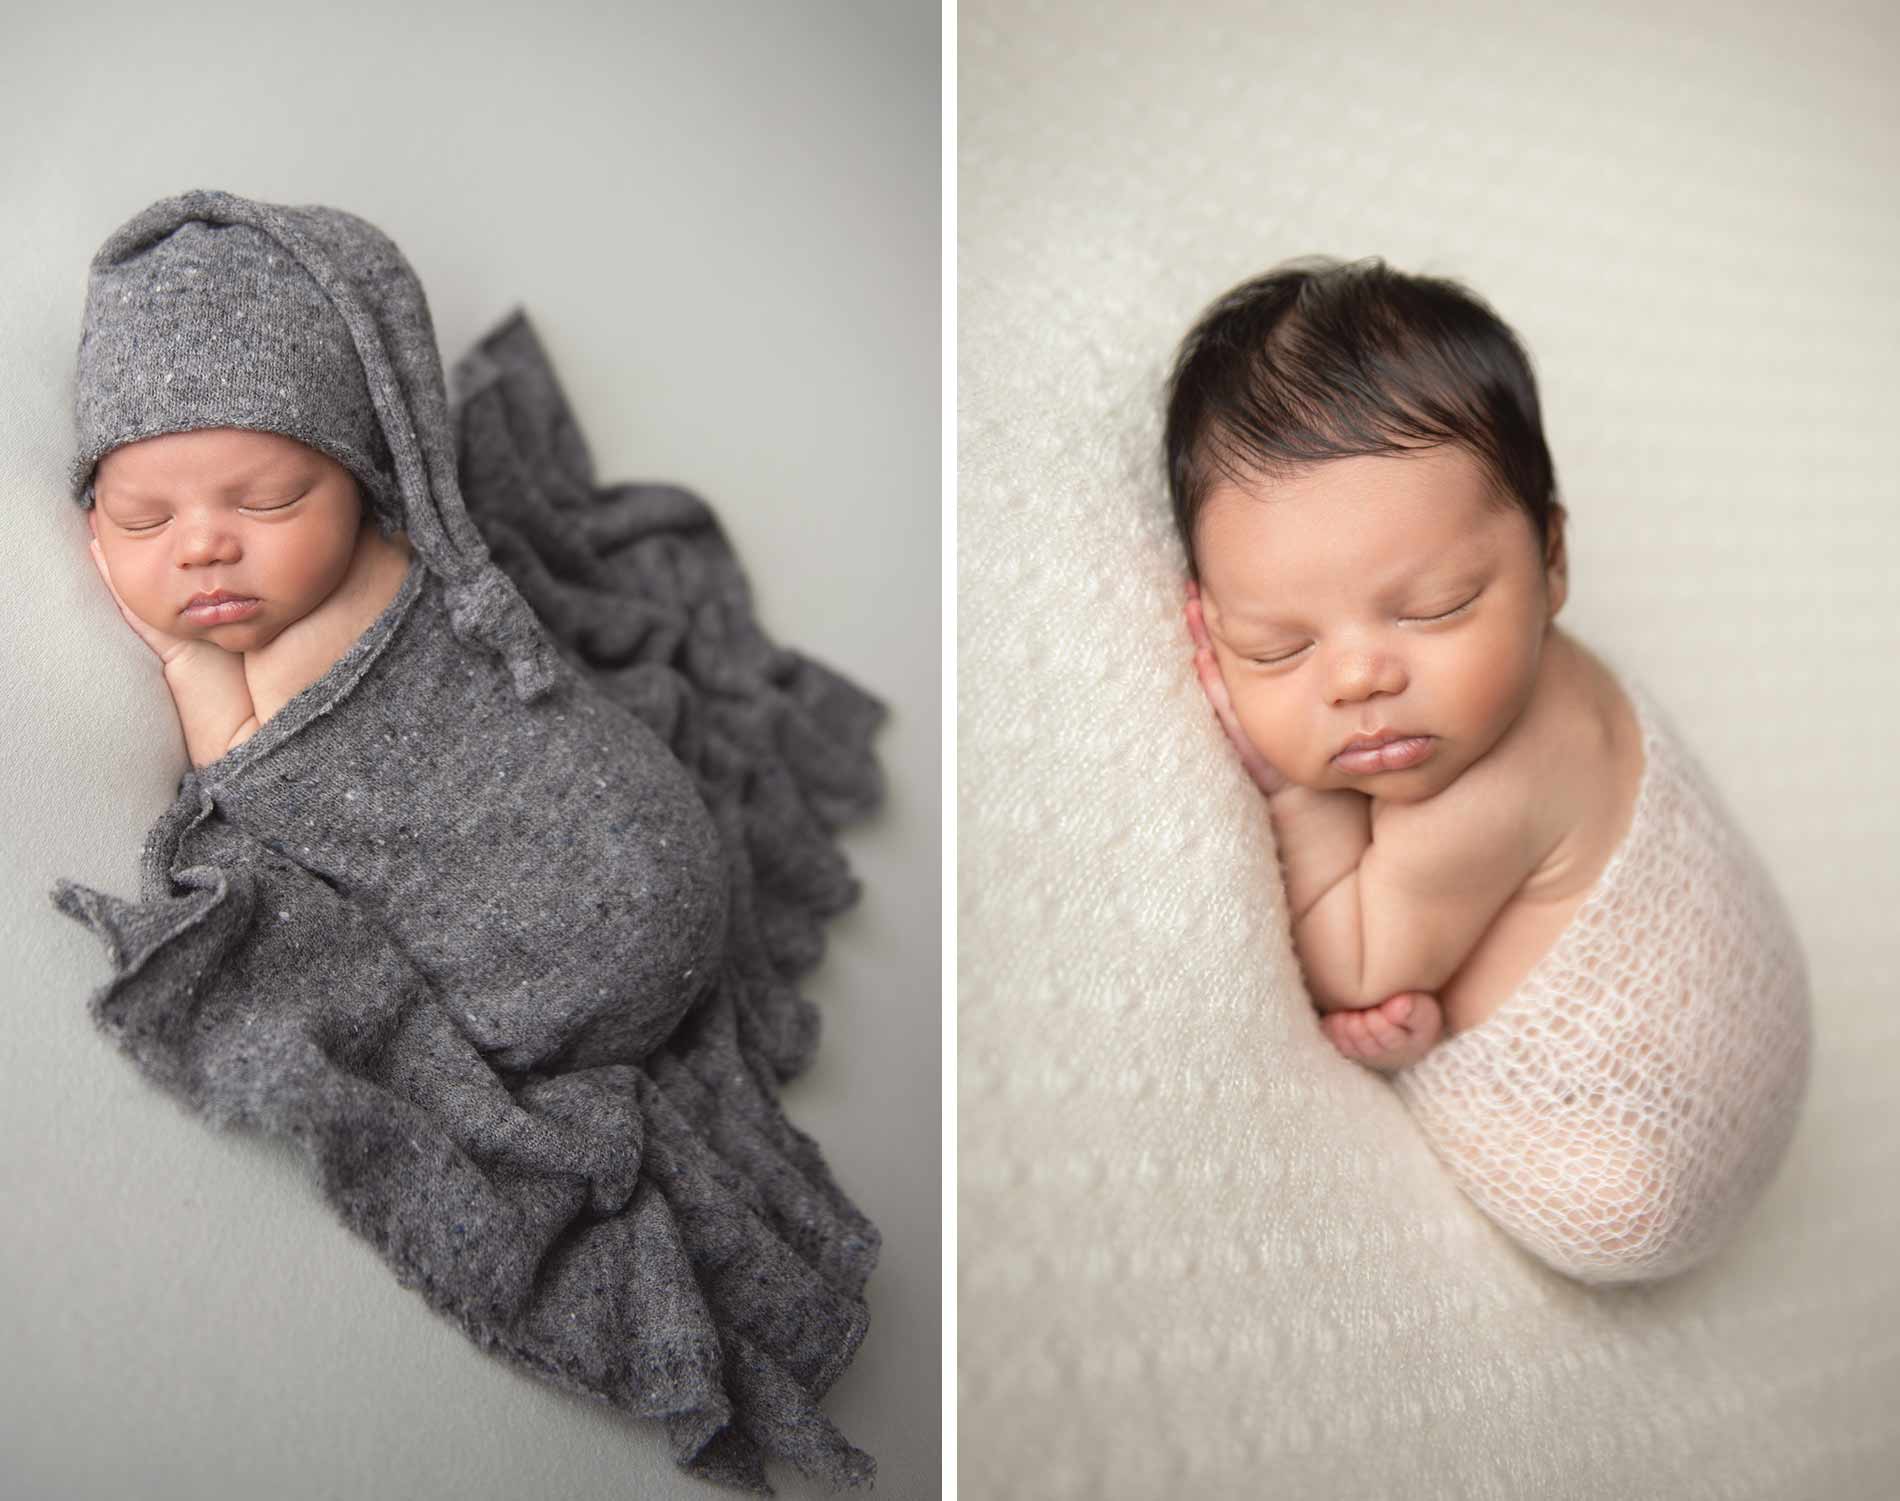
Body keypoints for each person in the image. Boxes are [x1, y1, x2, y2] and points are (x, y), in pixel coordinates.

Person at [53, 188, 884, 1490]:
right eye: (143, 522)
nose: (206, 547)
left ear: (372, 480)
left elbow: (236, 765)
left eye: (266, 500)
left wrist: (179, 650)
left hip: (603, 903)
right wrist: (205, 599)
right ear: (91, 512)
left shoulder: (370, 602)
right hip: (615, 909)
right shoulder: (361, 581)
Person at [1165, 258, 1810, 1282]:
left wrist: (1295, 797)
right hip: (1773, 1038)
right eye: (1277, 648)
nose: (1361, 677)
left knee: (1602, 1207)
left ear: (1552, 560)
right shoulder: (1524, 677)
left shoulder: (1484, 786)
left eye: (1433, 608)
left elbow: (1354, 966)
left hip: (1641, 1149)